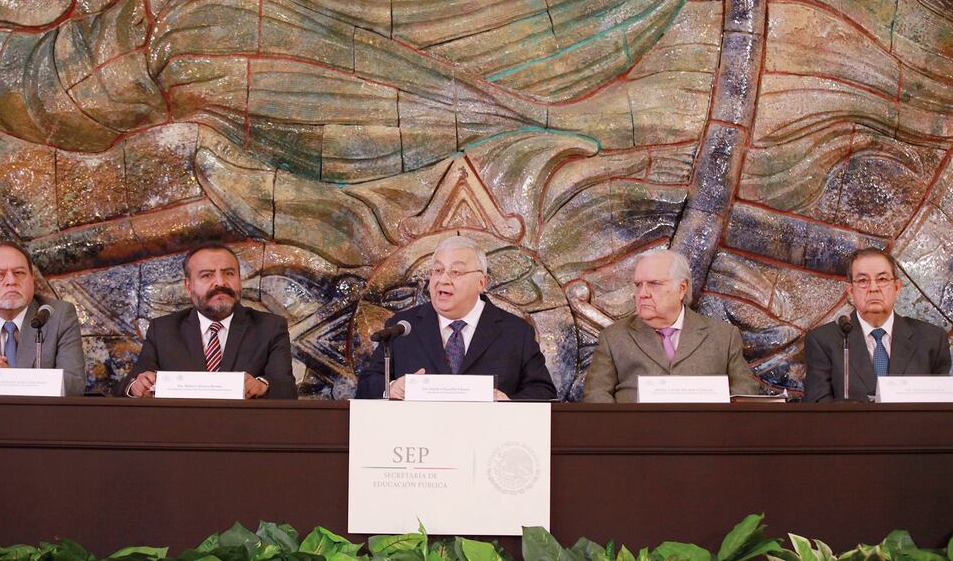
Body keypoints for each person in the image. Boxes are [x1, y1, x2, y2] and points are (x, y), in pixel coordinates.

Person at [356, 236, 557, 400]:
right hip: (419, 443)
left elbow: (543, 392)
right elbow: (367, 383)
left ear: (481, 282)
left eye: (456, 272)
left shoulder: (516, 332)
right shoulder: (402, 328)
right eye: (438, 270)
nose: (443, 279)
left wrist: (508, 403)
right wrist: (391, 388)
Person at [117, 243, 297, 399]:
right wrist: (137, 387)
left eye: (229, 273)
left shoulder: (270, 328)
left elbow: (287, 390)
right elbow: (128, 385)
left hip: (244, 433)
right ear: (189, 287)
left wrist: (262, 386)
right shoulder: (164, 330)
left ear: (239, 281)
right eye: (207, 275)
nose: (220, 282)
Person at [582, 249, 759, 402]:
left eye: (654, 284)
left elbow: (746, 394)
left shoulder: (723, 336)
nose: (642, 294)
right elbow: (596, 396)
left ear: (681, 288)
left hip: (705, 437)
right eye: (638, 285)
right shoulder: (614, 338)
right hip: (637, 437)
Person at [803, 248, 951, 402]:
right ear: (851, 291)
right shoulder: (823, 341)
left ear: (897, 287)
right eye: (863, 281)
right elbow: (819, 410)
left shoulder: (931, 340)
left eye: (882, 279)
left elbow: (941, 410)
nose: (873, 288)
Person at [0, 242, 86, 395]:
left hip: (41, 417)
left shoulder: (58, 315)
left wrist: (6, 378)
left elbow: (74, 384)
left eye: (19, 273)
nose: (11, 281)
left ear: (32, 279)